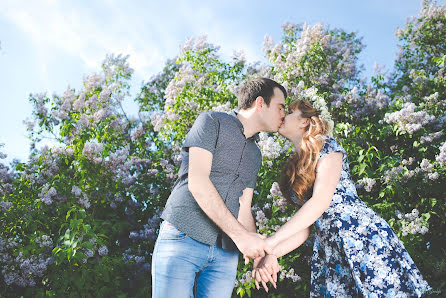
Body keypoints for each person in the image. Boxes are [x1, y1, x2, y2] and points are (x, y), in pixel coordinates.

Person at [252, 99, 431, 297]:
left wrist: (270, 242)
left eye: (290, 111)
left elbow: (320, 202)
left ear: (304, 121)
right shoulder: (294, 168)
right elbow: (306, 227)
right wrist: (271, 253)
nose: (283, 115)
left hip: (359, 234)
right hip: (331, 250)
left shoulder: (326, 145)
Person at [151, 78, 287, 297]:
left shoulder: (256, 154)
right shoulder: (211, 121)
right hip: (183, 236)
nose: (283, 114)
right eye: (280, 107)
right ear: (260, 103)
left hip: (225, 254)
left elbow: (244, 207)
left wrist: (258, 254)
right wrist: (242, 238)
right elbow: (198, 183)